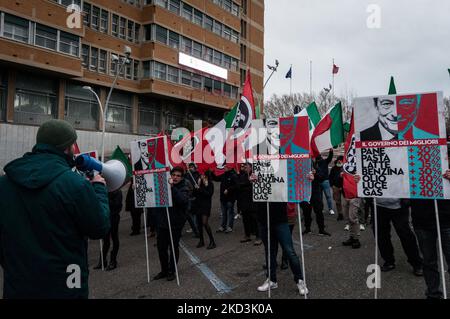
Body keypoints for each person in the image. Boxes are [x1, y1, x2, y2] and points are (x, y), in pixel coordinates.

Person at [0, 119, 110, 298]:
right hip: (66, 285)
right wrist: (98, 189)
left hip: (19, 285)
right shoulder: (76, 185)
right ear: (67, 147)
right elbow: (99, 227)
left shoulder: (4, 183)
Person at [410, 168, 450, 299]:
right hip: (422, 219)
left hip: (447, 218)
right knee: (428, 261)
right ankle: (433, 294)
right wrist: (362, 181)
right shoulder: (406, 159)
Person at [255, 200, 308, 296]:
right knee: (270, 251)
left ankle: (300, 280)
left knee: (289, 251)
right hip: (263, 219)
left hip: (280, 219)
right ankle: (271, 280)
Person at [153, 166, 189, 282]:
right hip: (162, 222)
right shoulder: (163, 185)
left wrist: (172, 188)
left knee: (173, 247)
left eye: (178, 176)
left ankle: (172, 270)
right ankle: (164, 270)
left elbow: (183, 201)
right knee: (161, 248)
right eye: (173, 175)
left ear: (181, 178)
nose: (175, 177)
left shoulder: (184, 187)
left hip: (175, 223)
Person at [360, 96, 438, 142]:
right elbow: (351, 167)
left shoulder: (433, 140)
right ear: (376, 107)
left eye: (406, 104)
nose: (396, 114)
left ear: (416, 106)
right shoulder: (361, 138)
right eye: (386, 104)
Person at [95, 189, 123, 271]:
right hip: (105, 218)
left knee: (114, 238)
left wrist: (105, 199)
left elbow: (117, 205)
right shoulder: (104, 190)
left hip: (113, 218)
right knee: (105, 240)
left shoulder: (117, 192)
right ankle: (102, 260)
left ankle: (113, 261)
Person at [237, 163, 260, 245]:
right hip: (244, 201)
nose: (245, 168)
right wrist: (247, 184)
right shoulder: (242, 176)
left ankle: (258, 236)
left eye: (247, 167)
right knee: (245, 219)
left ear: (251, 168)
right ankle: (247, 235)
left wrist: (247, 184)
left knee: (255, 219)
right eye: (244, 167)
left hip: (252, 202)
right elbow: (239, 186)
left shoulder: (254, 175)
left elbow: (255, 186)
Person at [193, 171, 216, 249]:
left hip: (206, 206)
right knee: (199, 224)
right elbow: (195, 194)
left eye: (203, 175)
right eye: (201, 174)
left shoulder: (209, 183)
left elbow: (209, 194)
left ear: (206, 176)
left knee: (204, 222)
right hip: (198, 205)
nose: (201, 176)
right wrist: (195, 188)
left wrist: (199, 189)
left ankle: (212, 241)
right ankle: (201, 240)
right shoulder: (199, 182)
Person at [214, 165, 239, 233]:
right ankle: (223, 226)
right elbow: (216, 178)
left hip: (230, 198)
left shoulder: (233, 175)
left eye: (225, 167)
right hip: (223, 197)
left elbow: (236, 185)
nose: (224, 168)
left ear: (230, 167)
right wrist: (212, 172)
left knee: (230, 212)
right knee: (224, 213)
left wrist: (228, 189)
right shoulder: (223, 175)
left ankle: (230, 226)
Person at [315, 149, 335, 215]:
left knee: (321, 197)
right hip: (324, 181)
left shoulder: (316, 163)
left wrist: (331, 152)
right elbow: (330, 158)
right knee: (328, 196)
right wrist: (331, 151)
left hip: (320, 181)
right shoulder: (323, 161)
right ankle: (330, 209)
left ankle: (323, 209)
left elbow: (329, 157)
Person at [184, 163, 200, 237]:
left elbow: (197, 185)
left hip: (195, 197)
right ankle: (194, 227)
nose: (191, 168)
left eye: (192, 167)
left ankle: (195, 228)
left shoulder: (197, 175)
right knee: (190, 213)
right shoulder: (187, 175)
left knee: (194, 214)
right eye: (190, 167)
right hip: (188, 197)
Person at [329, 156, 344, 221]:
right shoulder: (333, 168)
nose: (339, 161)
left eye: (341, 160)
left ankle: (346, 214)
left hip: (344, 187)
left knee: (346, 202)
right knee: (337, 202)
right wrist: (332, 185)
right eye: (338, 160)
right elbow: (330, 177)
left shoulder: (345, 168)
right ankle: (340, 214)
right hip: (336, 187)